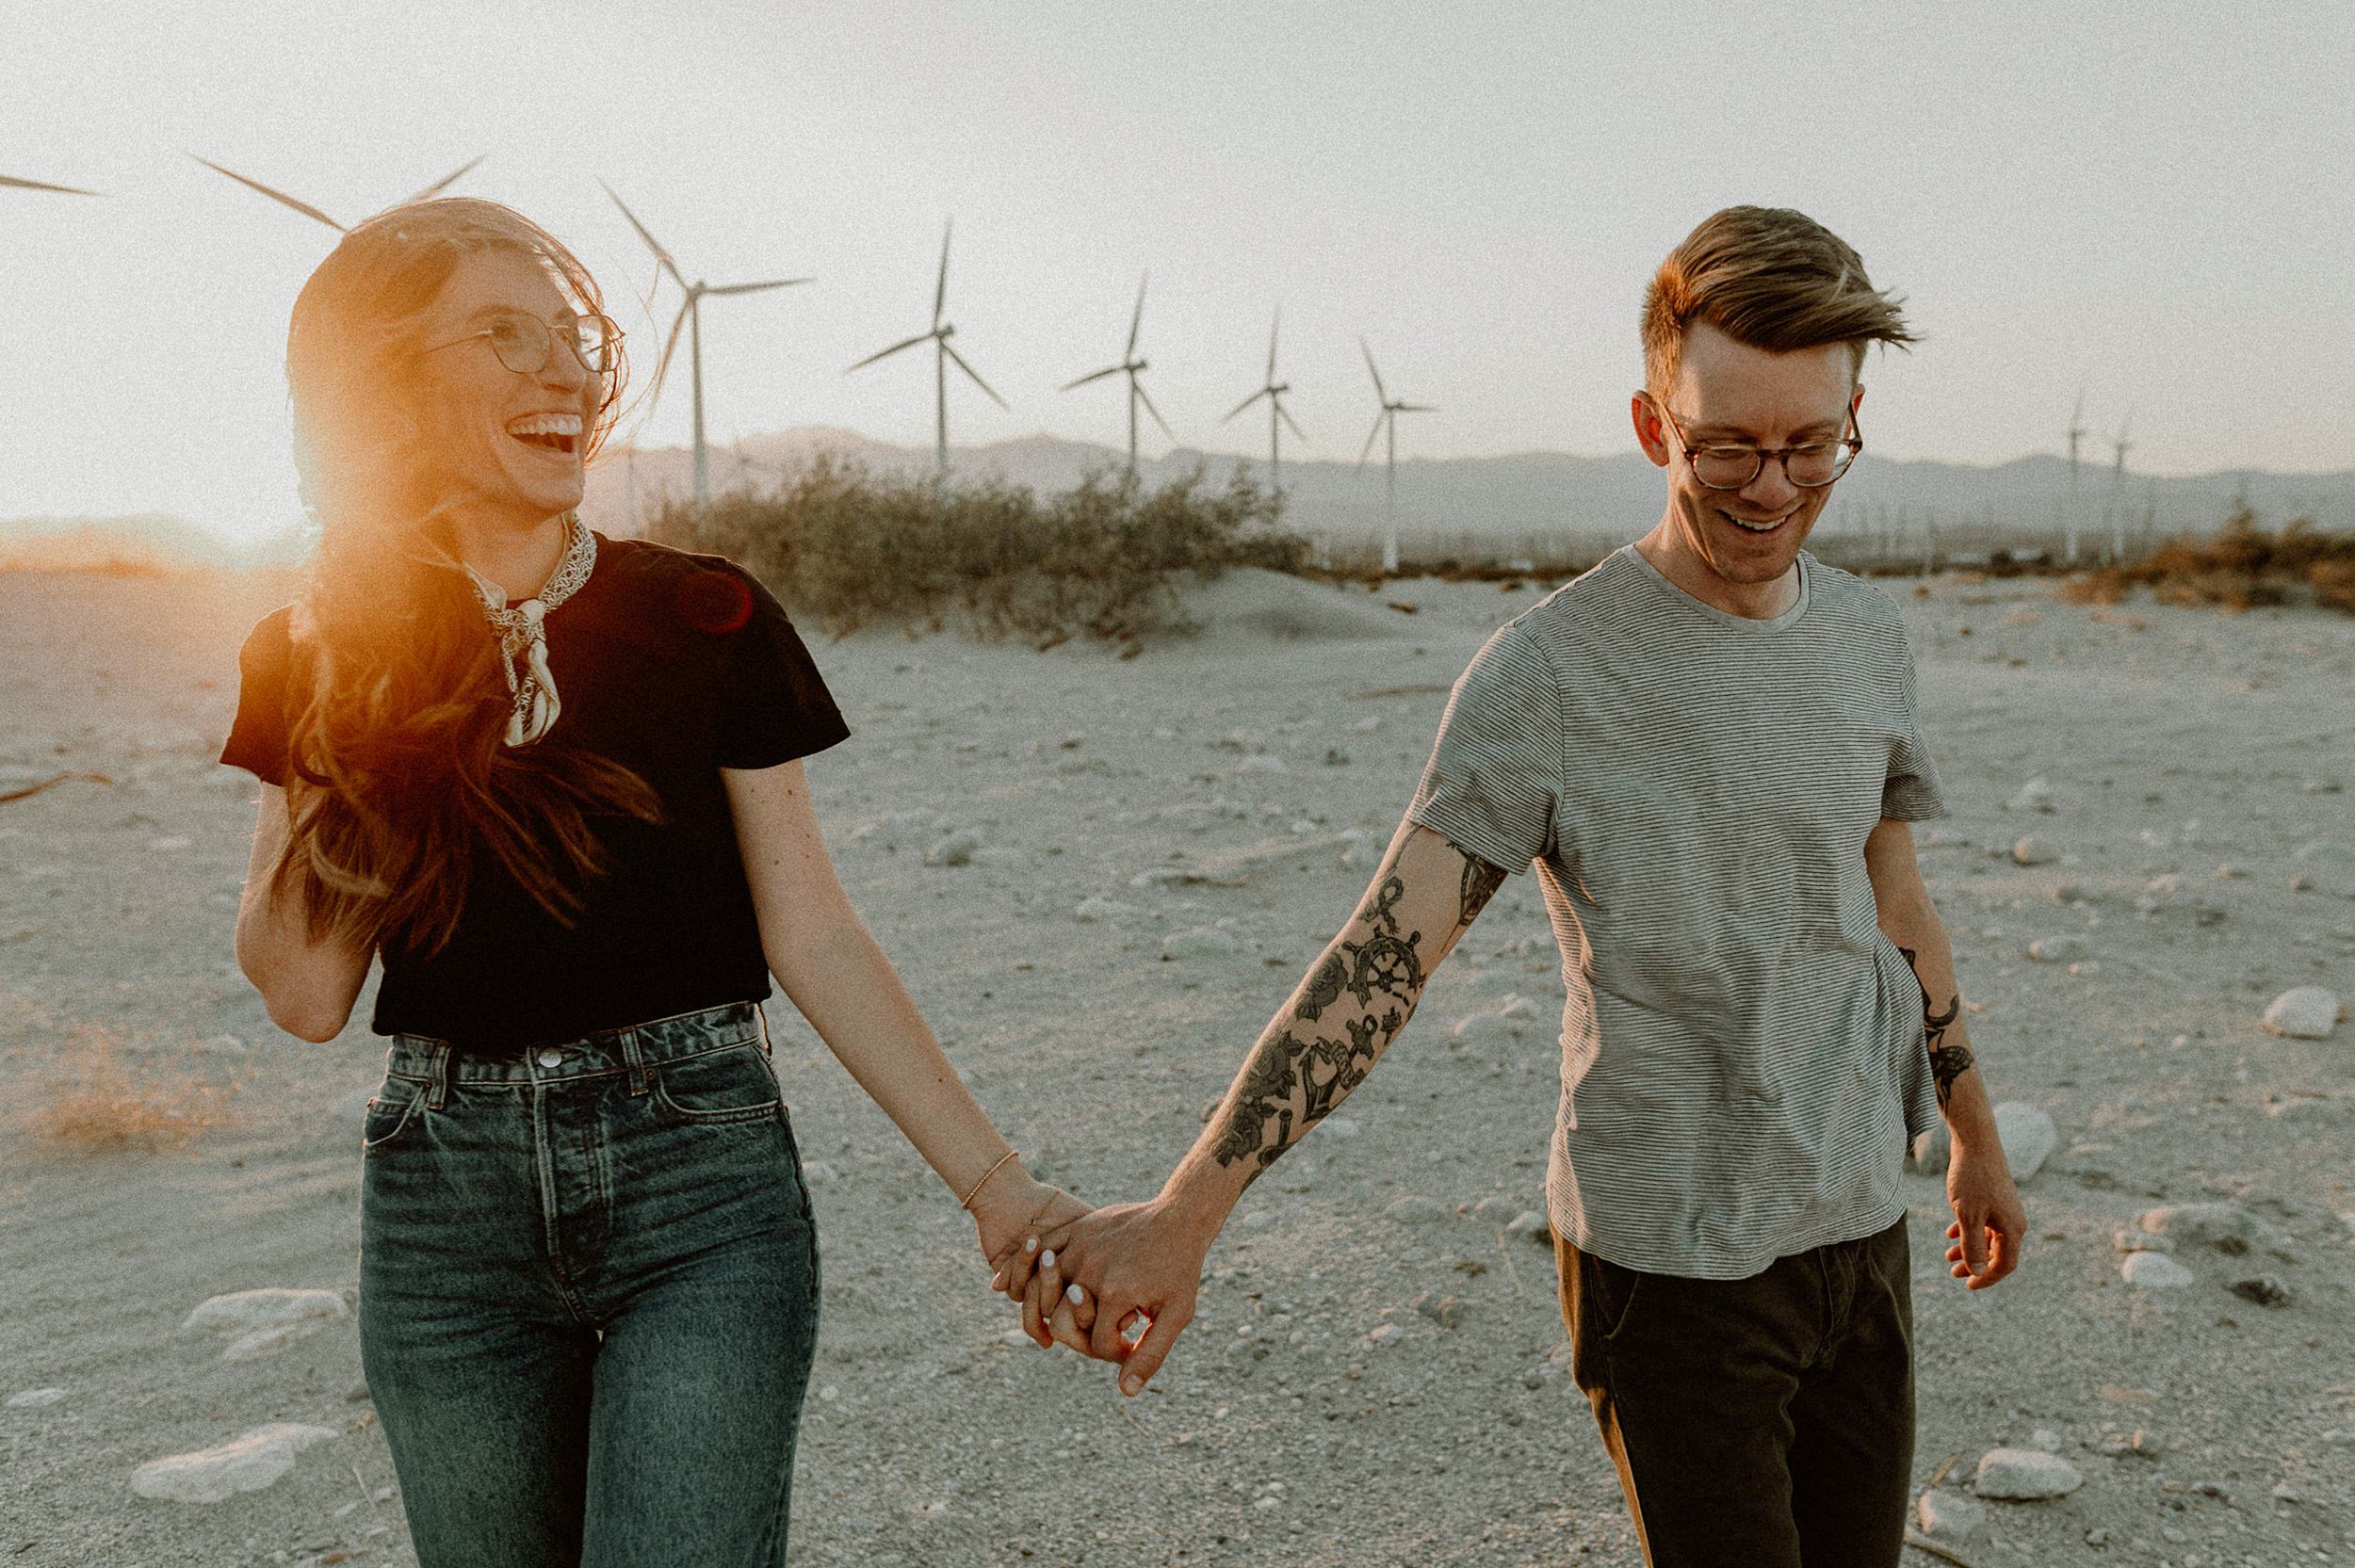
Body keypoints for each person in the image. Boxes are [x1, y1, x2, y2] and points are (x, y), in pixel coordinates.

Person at [1006, 205, 2027, 1567]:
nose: (1773, 486)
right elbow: (1384, 956)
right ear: (1655, 423)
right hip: (1673, 1264)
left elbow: (1894, 906)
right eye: (1729, 443)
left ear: (1853, 417)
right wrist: (1189, 1210)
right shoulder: (1545, 676)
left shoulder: (1867, 636)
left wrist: (1972, 1131)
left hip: (1857, 1228)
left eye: (1812, 444)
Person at [222, 198, 1080, 1567]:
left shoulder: (704, 613)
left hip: (703, 1183)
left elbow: (814, 931)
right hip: (446, 1203)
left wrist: (1002, 1190)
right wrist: (359, 680)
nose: (562, 370)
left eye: (570, 337)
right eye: (503, 335)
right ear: (381, 384)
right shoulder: (312, 643)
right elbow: (307, 989)